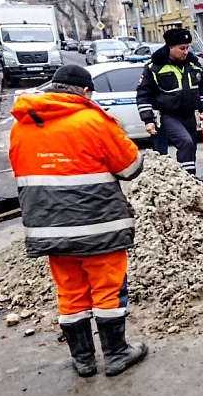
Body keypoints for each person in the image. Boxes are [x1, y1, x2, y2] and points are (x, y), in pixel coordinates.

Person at [8, 64, 148, 378]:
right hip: (98, 227)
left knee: (70, 293)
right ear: (85, 92)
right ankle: (115, 354)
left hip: (49, 229)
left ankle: (83, 361)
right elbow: (131, 167)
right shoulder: (92, 121)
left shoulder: (22, 124)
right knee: (108, 291)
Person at [136, 28, 203, 176]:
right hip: (168, 115)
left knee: (191, 148)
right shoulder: (155, 67)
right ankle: (186, 179)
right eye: (182, 48)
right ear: (171, 47)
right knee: (185, 142)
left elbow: (202, 89)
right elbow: (143, 94)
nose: (186, 52)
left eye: (188, 47)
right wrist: (148, 120)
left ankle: (190, 179)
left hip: (189, 115)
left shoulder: (194, 65)